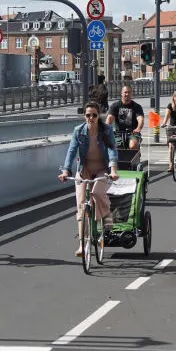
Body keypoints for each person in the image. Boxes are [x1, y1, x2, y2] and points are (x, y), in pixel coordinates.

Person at [59, 101, 120, 257]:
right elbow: (71, 151)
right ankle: (82, 245)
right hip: (84, 171)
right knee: (81, 208)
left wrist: (113, 169)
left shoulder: (106, 130)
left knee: (97, 193)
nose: (91, 118)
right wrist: (66, 170)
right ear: (84, 116)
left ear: (98, 115)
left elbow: (112, 150)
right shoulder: (78, 131)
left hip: (102, 170)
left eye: (94, 115)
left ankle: (106, 214)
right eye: (88, 115)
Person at [106, 84, 145, 149]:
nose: (127, 94)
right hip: (118, 133)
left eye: (129, 92)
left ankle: (134, 154)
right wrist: (106, 130)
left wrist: (138, 128)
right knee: (117, 147)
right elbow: (109, 118)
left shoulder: (137, 107)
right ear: (121, 93)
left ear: (131, 94)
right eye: (125, 92)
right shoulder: (115, 105)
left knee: (133, 145)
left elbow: (140, 119)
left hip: (133, 132)